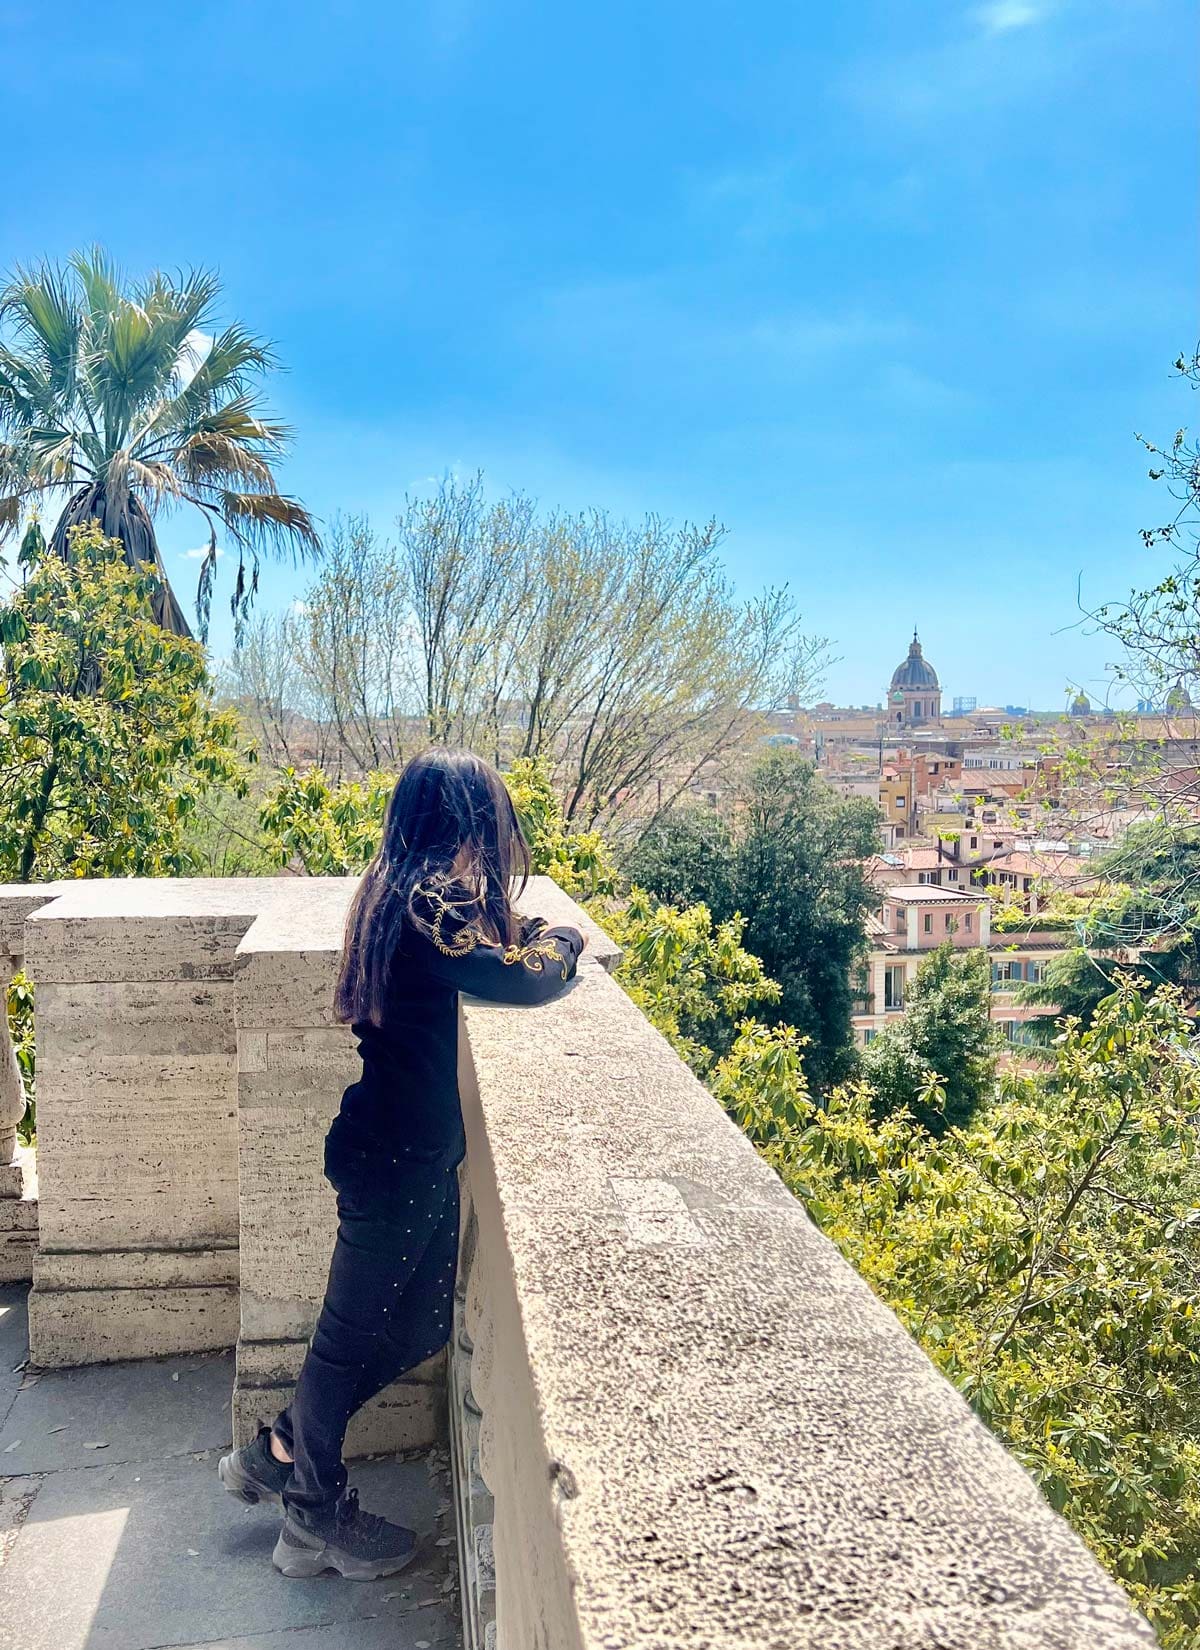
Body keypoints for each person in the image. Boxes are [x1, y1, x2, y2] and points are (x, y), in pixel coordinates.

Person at [218, 749, 585, 1580]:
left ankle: (278, 1448)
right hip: (395, 1159)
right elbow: (524, 982)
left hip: (397, 1151)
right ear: (462, 825)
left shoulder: (403, 890)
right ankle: (310, 1518)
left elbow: (481, 953)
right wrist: (563, 939)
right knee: (346, 1345)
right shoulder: (424, 902)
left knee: (418, 1323)